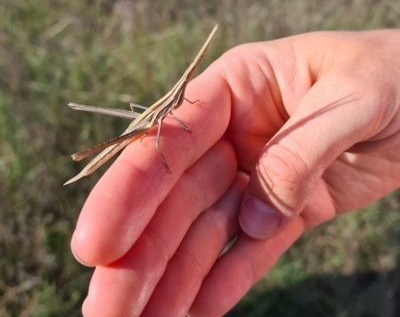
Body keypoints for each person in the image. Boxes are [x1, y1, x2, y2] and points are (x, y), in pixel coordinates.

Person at [70, 29, 400, 317]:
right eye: (185, 82)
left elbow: (179, 114)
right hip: (143, 126)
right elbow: (162, 128)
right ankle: (85, 155)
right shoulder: (167, 114)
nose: (185, 86)